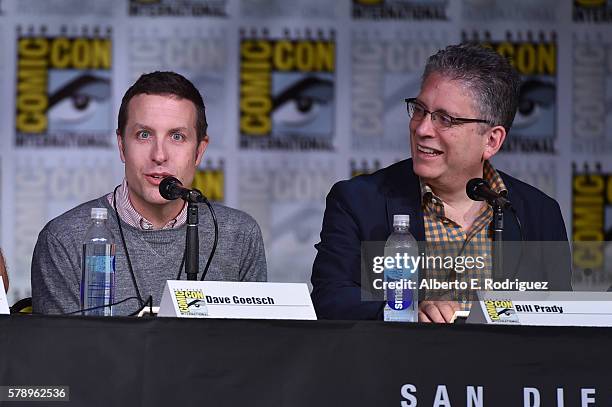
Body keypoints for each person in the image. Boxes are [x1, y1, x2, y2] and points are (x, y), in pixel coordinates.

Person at [311, 43, 570, 322]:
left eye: (445, 119)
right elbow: (329, 298)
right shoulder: (358, 201)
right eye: (420, 110)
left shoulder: (539, 213)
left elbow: (560, 320)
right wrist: (406, 311)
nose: (422, 129)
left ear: (491, 140)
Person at [32, 71, 267, 315]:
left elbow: (251, 348)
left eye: (177, 136)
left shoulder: (239, 235)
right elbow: (62, 351)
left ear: (199, 151)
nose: (159, 155)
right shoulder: (64, 238)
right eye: (144, 135)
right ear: (122, 145)